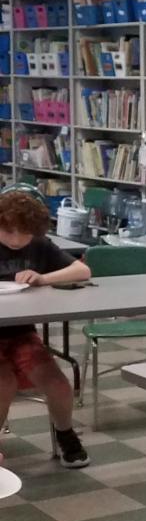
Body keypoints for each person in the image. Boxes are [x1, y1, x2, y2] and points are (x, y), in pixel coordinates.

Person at [0, 190, 92, 467]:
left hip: (20, 333)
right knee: (3, 384)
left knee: (58, 385)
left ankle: (66, 435)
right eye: (8, 232)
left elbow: (82, 272)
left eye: (25, 234)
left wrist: (43, 278)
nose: (16, 240)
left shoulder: (39, 245)